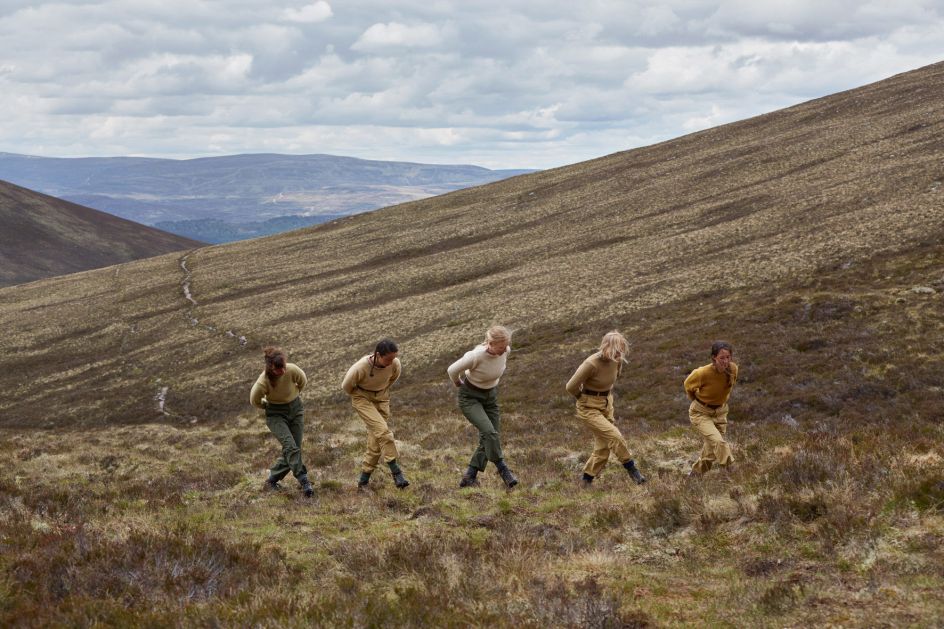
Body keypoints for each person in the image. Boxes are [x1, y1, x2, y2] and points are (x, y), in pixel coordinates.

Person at [566, 331, 647, 487]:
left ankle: (586, 480)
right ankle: (632, 469)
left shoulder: (617, 361)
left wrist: (605, 397)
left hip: (606, 404)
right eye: (616, 350)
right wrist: (582, 398)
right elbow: (570, 386)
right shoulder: (591, 363)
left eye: (621, 350)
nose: (619, 354)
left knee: (603, 447)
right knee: (614, 436)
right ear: (606, 347)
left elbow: (612, 378)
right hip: (588, 407)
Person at [447, 325, 519, 489]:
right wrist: (457, 382)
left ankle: (469, 476)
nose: (503, 350)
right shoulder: (476, 356)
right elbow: (452, 369)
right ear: (490, 343)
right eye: (500, 348)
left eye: (505, 347)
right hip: (470, 397)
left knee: (491, 436)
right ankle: (503, 470)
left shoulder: (506, 351)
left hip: (490, 397)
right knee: (489, 433)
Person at [341, 339, 410, 490]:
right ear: (378, 355)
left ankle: (363, 482)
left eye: (394, 358)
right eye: (388, 359)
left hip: (382, 398)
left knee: (376, 441)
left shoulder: (395, 364)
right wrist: (363, 394)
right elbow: (346, 387)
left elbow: (392, 378)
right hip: (363, 399)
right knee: (384, 433)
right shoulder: (360, 368)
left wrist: (380, 391)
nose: (392, 361)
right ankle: (396, 472)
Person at [249, 347, 313, 497]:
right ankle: (304, 481)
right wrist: (267, 405)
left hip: (296, 410)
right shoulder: (263, 382)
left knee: (294, 449)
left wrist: (294, 396)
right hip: (276, 415)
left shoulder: (292, 370)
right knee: (290, 447)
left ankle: (271, 480)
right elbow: (254, 400)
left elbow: (302, 381)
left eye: (283, 367)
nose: (282, 371)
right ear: (270, 368)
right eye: (278, 370)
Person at [684, 341, 738, 475]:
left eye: (728, 357)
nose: (725, 361)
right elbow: (687, 385)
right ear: (714, 358)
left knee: (710, 454)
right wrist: (697, 400)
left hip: (720, 413)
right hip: (701, 412)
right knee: (719, 443)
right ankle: (731, 469)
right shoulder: (702, 373)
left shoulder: (733, 369)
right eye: (722, 358)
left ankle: (694, 476)